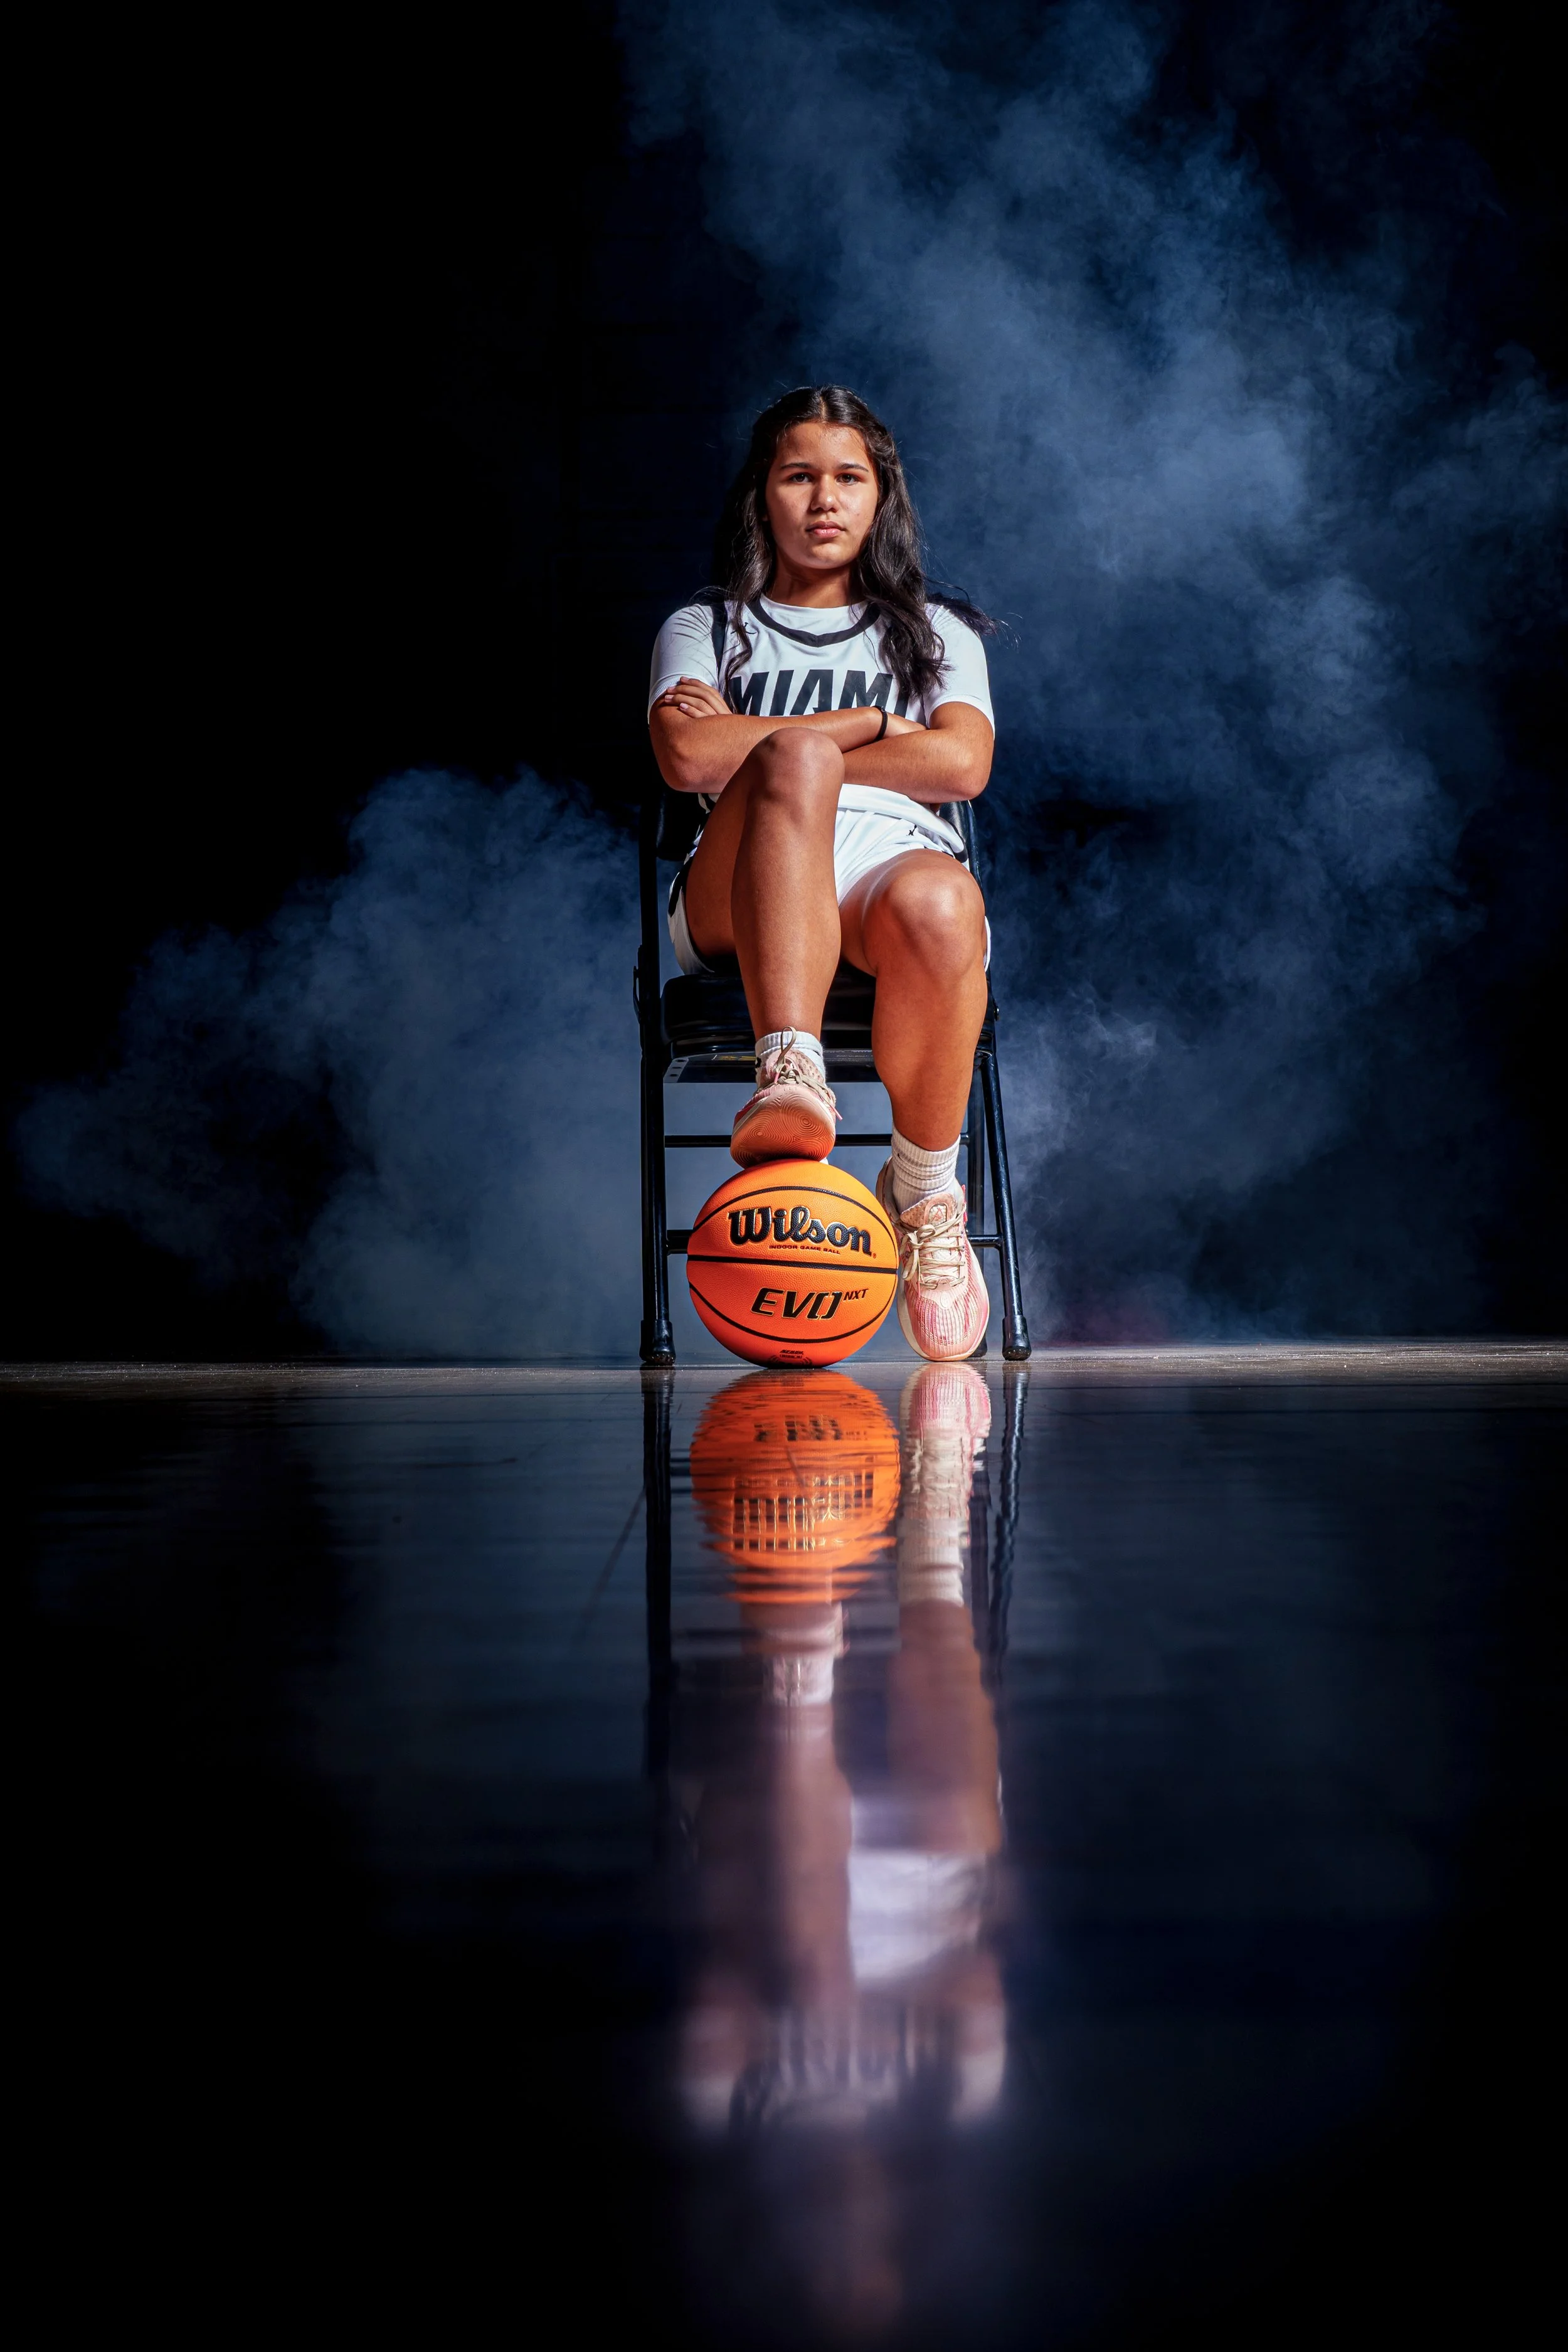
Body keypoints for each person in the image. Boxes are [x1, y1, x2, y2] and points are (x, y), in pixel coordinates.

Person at [649, 384, 997, 1361]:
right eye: (799, 476)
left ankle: (925, 1194)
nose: (824, 499)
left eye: (849, 477)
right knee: (796, 763)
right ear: (763, 494)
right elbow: (686, 761)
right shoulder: (706, 626)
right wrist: (871, 730)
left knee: (942, 900)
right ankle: (790, 1066)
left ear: (881, 497)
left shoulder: (937, 634)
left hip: (889, 861)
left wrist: (747, 739)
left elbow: (961, 765)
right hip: (740, 878)